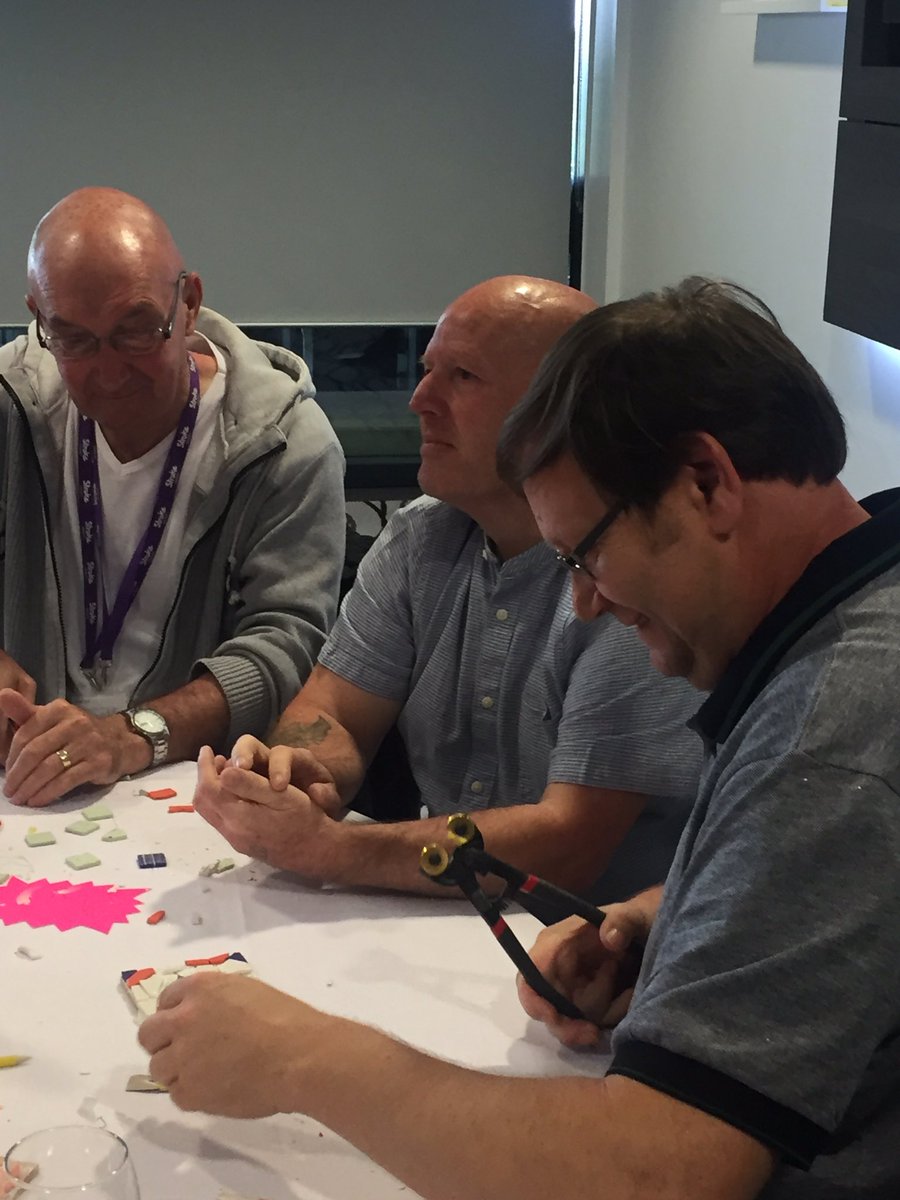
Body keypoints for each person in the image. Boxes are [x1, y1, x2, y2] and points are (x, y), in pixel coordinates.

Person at [139, 277, 900, 1198]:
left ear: (708, 483)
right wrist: (653, 921)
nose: (585, 602)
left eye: (586, 556)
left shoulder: (830, 734)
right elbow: (821, 879)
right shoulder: (847, 612)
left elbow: (657, 1173)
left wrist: (303, 1058)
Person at [192, 275, 702, 903]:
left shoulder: (628, 572)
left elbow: (570, 843)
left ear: (560, 413)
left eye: (463, 376)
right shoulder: (422, 538)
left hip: (597, 955)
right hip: (449, 922)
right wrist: (298, 770)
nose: (419, 399)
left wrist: (333, 848)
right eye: (429, 369)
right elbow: (334, 713)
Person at [0, 187, 345, 808]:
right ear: (39, 318)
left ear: (188, 303)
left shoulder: (285, 444)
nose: (108, 372)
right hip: (24, 773)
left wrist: (132, 734)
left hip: (189, 782)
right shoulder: (10, 409)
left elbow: (287, 647)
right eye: (74, 340)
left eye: (135, 332)